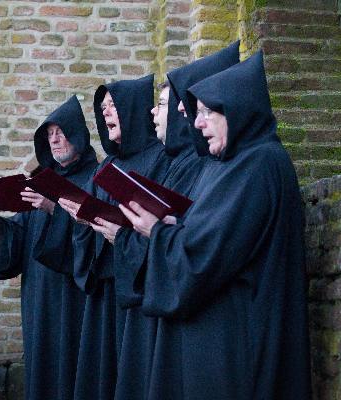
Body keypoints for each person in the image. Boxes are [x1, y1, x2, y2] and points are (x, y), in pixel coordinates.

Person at [119, 51, 311, 399]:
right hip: (217, 338)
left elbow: (203, 259)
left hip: (234, 344)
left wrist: (157, 232)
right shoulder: (234, 162)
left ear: (235, 108)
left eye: (207, 112)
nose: (197, 123)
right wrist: (174, 224)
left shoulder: (258, 165)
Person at [113, 43, 239, 400]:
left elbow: (203, 252)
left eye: (169, 104)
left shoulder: (229, 166)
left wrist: (151, 231)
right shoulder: (195, 164)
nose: (158, 112)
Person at [0, 95, 98, 400]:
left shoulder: (96, 178)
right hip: (39, 302)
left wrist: (55, 210)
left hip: (74, 301)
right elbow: (16, 236)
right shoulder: (40, 181)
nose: (55, 141)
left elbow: (96, 238)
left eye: (61, 133)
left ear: (77, 134)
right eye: (49, 135)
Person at [59, 75, 171, 400]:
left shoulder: (161, 159)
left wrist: (122, 235)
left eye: (112, 106)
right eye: (103, 107)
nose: (106, 113)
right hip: (104, 290)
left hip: (137, 290)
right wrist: (83, 220)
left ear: (133, 110)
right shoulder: (107, 165)